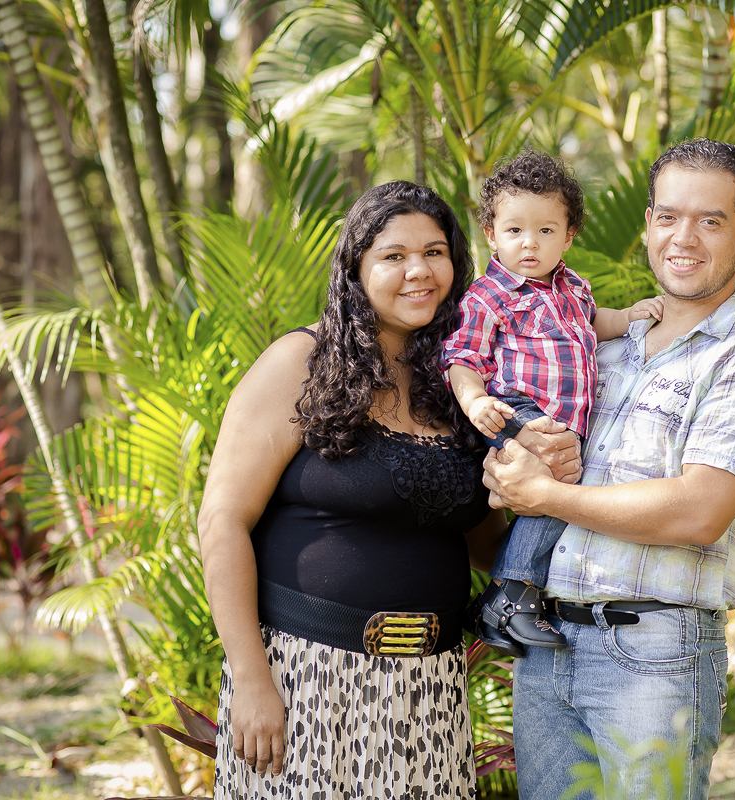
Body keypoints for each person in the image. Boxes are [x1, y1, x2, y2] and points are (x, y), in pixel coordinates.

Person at [197, 181, 579, 799]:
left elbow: (483, 541)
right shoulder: (302, 362)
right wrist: (251, 679)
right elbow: (221, 522)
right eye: (393, 256)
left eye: (435, 252)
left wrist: (545, 486)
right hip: (307, 678)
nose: (419, 272)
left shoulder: (463, 387)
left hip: (431, 685)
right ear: (356, 268)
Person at [482, 139, 735, 800]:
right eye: (668, 216)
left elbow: (697, 510)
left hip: (653, 657)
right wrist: (506, 474)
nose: (683, 237)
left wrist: (543, 494)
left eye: (709, 221)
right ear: (648, 225)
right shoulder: (605, 350)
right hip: (547, 651)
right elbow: (532, 472)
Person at [442, 151, 662, 652]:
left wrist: (629, 314)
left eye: (545, 231)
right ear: (491, 235)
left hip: (564, 421)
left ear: (568, 236)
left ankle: (512, 597)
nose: (529, 243)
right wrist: (474, 399)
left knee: (559, 498)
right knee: (555, 488)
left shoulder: (574, 289)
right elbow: (462, 356)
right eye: (515, 230)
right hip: (514, 406)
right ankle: (510, 596)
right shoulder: (488, 295)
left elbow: (595, 324)